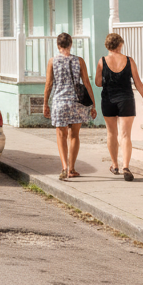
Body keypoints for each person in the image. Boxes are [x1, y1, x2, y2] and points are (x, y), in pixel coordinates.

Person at [96, 33, 143, 181]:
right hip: (126, 99)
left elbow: (98, 83)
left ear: (107, 46)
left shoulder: (102, 61)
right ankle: (126, 166)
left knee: (111, 133)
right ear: (120, 45)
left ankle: (115, 165)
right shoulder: (129, 60)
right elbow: (138, 82)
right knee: (125, 135)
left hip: (108, 100)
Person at [42, 32, 96, 180]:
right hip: (76, 102)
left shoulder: (52, 61)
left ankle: (65, 167)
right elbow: (86, 82)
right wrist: (93, 104)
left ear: (58, 46)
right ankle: (72, 168)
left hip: (59, 102)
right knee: (74, 136)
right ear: (70, 44)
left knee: (61, 135)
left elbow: (49, 84)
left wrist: (45, 103)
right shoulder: (79, 61)